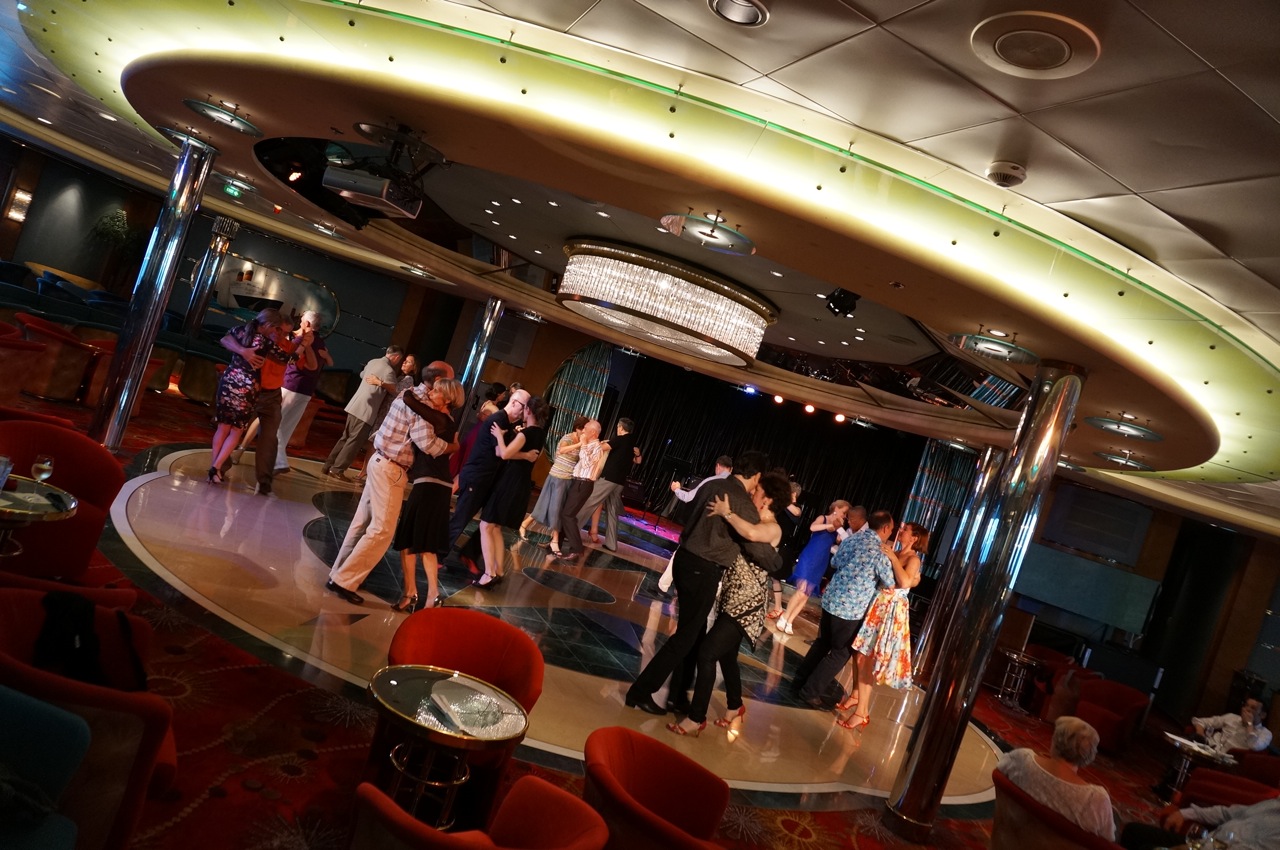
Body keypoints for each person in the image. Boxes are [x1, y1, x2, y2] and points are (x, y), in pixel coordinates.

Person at [624, 450, 769, 716]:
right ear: (757, 476)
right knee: (686, 637)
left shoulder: (712, 484)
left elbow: (688, 512)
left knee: (695, 633)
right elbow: (756, 546)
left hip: (684, 559)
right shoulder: (743, 503)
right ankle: (641, 692)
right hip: (704, 568)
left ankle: (678, 696)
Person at [668, 471, 791, 736]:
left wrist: (727, 512)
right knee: (727, 655)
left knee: (707, 652)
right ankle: (735, 706)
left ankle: (696, 718)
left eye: (757, 491)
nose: (752, 493)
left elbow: (751, 533)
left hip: (747, 605)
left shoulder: (773, 528)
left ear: (768, 499)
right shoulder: (752, 518)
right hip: (731, 597)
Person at [325, 370, 453, 605]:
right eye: (444, 383)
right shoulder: (421, 406)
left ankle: (339, 573)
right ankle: (344, 580)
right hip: (391, 468)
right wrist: (453, 447)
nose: (443, 388)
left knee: (362, 524)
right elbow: (428, 445)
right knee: (382, 530)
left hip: (379, 461)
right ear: (436, 382)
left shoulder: (408, 393)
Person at [792, 509, 895, 710]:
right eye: (891, 529)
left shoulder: (851, 539)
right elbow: (890, 583)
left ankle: (799, 682)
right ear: (884, 529)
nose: (891, 533)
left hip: (831, 600)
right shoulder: (879, 552)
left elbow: (835, 562)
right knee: (840, 653)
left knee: (822, 643)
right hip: (850, 610)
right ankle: (810, 692)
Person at [839, 521, 928, 728]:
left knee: (866, 657)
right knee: (859, 652)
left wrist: (893, 559)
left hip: (890, 610)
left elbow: (905, 582)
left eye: (905, 530)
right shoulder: (895, 551)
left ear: (914, 538)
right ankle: (855, 695)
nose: (901, 531)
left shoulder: (913, 558)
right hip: (877, 604)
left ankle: (862, 712)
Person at [390, 374, 465, 612]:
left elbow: (409, 399)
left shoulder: (440, 418)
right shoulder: (446, 421)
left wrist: (414, 386)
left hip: (429, 484)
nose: (431, 393)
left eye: (436, 391)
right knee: (425, 544)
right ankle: (431, 594)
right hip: (437, 486)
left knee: (408, 540)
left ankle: (412, 593)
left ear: (447, 399)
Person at [447, 387, 532, 575]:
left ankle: (469, 554)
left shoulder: (508, 423)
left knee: (489, 522)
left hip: (489, 479)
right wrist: (525, 455)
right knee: (461, 518)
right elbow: (500, 452)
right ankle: (437, 554)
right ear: (514, 403)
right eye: (524, 407)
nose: (525, 412)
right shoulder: (499, 419)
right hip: (477, 476)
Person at [997, 716, 1116, 841]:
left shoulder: (1021, 759)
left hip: (1007, 841)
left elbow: (998, 769)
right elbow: (1108, 841)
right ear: (1090, 755)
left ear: (1054, 741)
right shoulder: (1097, 800)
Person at [473, 396, 549, 587]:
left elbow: (505, 454)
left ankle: (489, 573)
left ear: (528, 411)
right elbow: (529, 456)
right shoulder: (540, 434)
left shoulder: (526, 434)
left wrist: (499, 436)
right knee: (495, 527)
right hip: (520, 483)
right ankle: (498, 571)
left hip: (509, 482)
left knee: (486, 525)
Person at [208, 308, 290, 484]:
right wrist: (301, 344)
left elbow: (223, 338)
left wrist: (241, 351)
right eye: (275, 328)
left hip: (229, 380)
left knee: (223, 426)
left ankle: (214, 468)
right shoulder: (265, 342)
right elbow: (287, 358)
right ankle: (216, 467)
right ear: (268, 325)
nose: (275, 332)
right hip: (247, 387)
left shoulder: (239, 330)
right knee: (236, 430)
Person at [322, 345, 404, 478]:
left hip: (355, 405)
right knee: (354, 441)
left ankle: (328, 465)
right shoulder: (389, 371)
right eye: (399, 360)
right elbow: (395, 391)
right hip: (366, 410)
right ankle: (337, 470)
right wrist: (382, 383)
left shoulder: (372, 362)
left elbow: (362, 375)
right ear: (396, 357)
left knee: (345, 437)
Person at [776, 501, 854, 635]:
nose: (845, 516)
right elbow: (813, 527)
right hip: (810, 557)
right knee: (801, 590)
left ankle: (790, 621)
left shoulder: (839, 526)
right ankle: (784, 616)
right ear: (836, 508)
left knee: (806, 595)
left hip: (821, 561)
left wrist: (840, 529)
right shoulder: (823, 518)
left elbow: (842, 540)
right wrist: (831, 525)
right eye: (844, 512)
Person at [274, 310, 332, 474]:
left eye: (301, 321)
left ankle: (280, 461)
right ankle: (276, 462)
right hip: (306, 390)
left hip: (290, 385)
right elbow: (326, 362)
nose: (299, 323)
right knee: (287, 428)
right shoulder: (321, 342)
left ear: (307, 324)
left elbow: (301, 362)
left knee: (274, 423)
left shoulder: (304, 340)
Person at [518, 415, 588, 549]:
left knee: (547, 505)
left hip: (568, 479)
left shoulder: (583, 442)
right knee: (556, 508)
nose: (585, 432)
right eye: (584, 429)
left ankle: (524, 524)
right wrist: (580, 444)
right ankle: (554, 540)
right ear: (578, 428)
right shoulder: (568, 438)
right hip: (557, 476)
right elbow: (562, 450)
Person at [576, 418, 640, 552]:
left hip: (609, 479)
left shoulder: (620, 439)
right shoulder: (631, 442)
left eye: (618, 427)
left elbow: (601, 449)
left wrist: (590, 442)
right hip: (619, 482)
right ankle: (611, 544)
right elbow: (638, 461)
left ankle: (571, 532)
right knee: (612, 511)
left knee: (589, 502)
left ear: (620, 428)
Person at [1120, 796, 1280, 850]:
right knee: (1133, 831)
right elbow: (1226, 813)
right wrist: (1185, 813)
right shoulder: (1274, 804)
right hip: (1203, 843)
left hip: (1209, 848)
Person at [356, 353, 419, 482]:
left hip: (388, 415)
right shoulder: (400, 377)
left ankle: (367, 473)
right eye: (404, 360)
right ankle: (365, 471)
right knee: (372, 442)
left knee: (375, 443)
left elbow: (396, 391)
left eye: (408, 362)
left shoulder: (409, 380)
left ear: (414, 367)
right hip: (383, 412)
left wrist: (380, 382)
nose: (404, 363)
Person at [554, 419, 604, 561]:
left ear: (593, 432)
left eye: (586, 429)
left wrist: (584, 444)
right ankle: (556, 544)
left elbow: (587, 463)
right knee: (564, 513)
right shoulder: (588, 444)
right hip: (577, 481)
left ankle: (577, 549)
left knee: (568, 515)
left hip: (584, 484)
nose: (583, 431)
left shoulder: (597, 447)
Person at [1192, 698, 1272, 754]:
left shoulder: (1265, 734)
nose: (1247, 709)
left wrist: (1249, 724)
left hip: (1226, 760)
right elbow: (1200, 721)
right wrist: (1201, 735)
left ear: (1263, 715)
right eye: (1246, 705)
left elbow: (1254, 746)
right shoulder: (1231, 717)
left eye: (1253, 708)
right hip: (1208, 746)